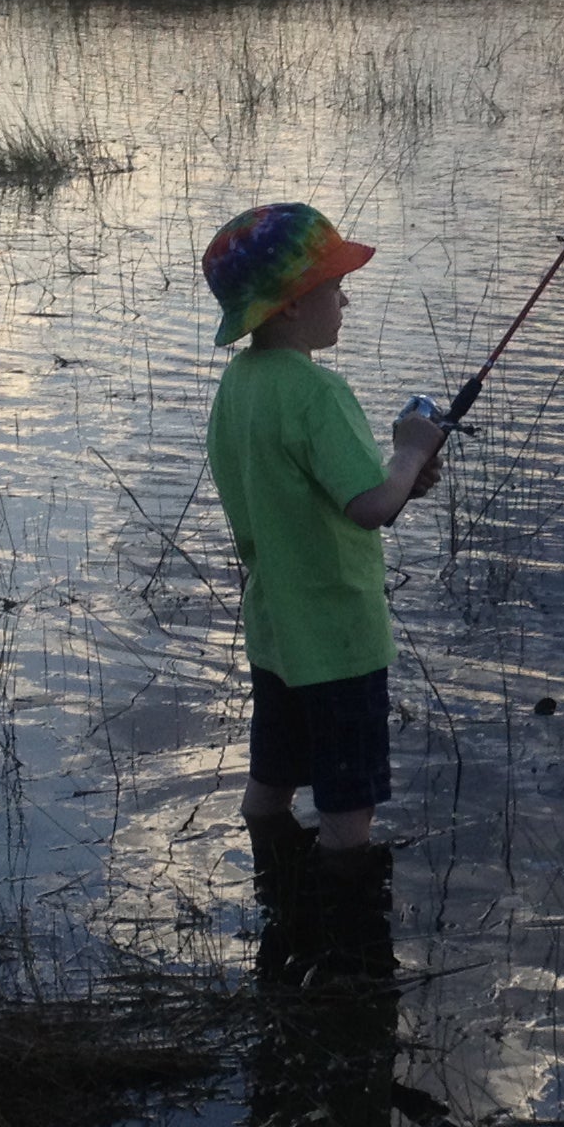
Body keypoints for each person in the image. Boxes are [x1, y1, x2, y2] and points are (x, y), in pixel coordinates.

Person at [201, 202, 443, 888]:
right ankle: (342, 941)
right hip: (337, 636)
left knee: (271, 778)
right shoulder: (316, 391)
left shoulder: (239, 386)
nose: (345, 298)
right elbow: (369, 506)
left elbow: (315, 489)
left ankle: (274, 893)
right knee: (347, 806)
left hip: (277, 630)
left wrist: (403, 480)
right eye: (334, 286)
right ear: (290, 309)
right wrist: (409, 451)